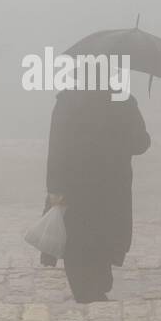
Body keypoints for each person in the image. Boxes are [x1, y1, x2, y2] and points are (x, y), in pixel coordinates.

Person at [44, 81, 151, 303]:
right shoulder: (123, 100)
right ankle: (98, 281)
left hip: (74, 185)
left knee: (75, 237)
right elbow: (140, 143)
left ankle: (84, 288)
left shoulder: (66, 101)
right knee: (105, 233)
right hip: (111, 186)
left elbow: (56, 148)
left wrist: (54, 188)